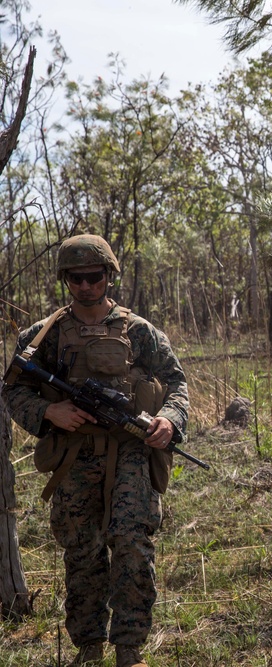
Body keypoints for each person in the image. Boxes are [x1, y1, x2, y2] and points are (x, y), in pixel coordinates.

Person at [2, 234, 188, 667]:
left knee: (131, 543)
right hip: (74, 454)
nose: (85, 286)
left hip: (131, 451)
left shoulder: (140, 332)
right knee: (82, 551)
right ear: (66, 279)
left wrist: (169, 421)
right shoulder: (43, 335)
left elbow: (177, 382)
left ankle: (130, 650)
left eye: (94, 276)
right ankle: (88, 647)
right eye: (76, 278)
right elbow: (13, 389)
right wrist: (51, 412)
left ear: (109, 276)